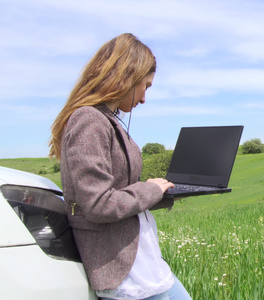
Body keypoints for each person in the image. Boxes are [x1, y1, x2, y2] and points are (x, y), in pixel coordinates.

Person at [49, 33, 192, 300]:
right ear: (127, 77)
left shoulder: (106, 120)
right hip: (124, 272)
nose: (144, 99)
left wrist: (163, 192)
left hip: (145, 262)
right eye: (146, 86)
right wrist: (150, 190)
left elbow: (121, 191)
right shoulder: (89, 120)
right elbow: (99, 203)